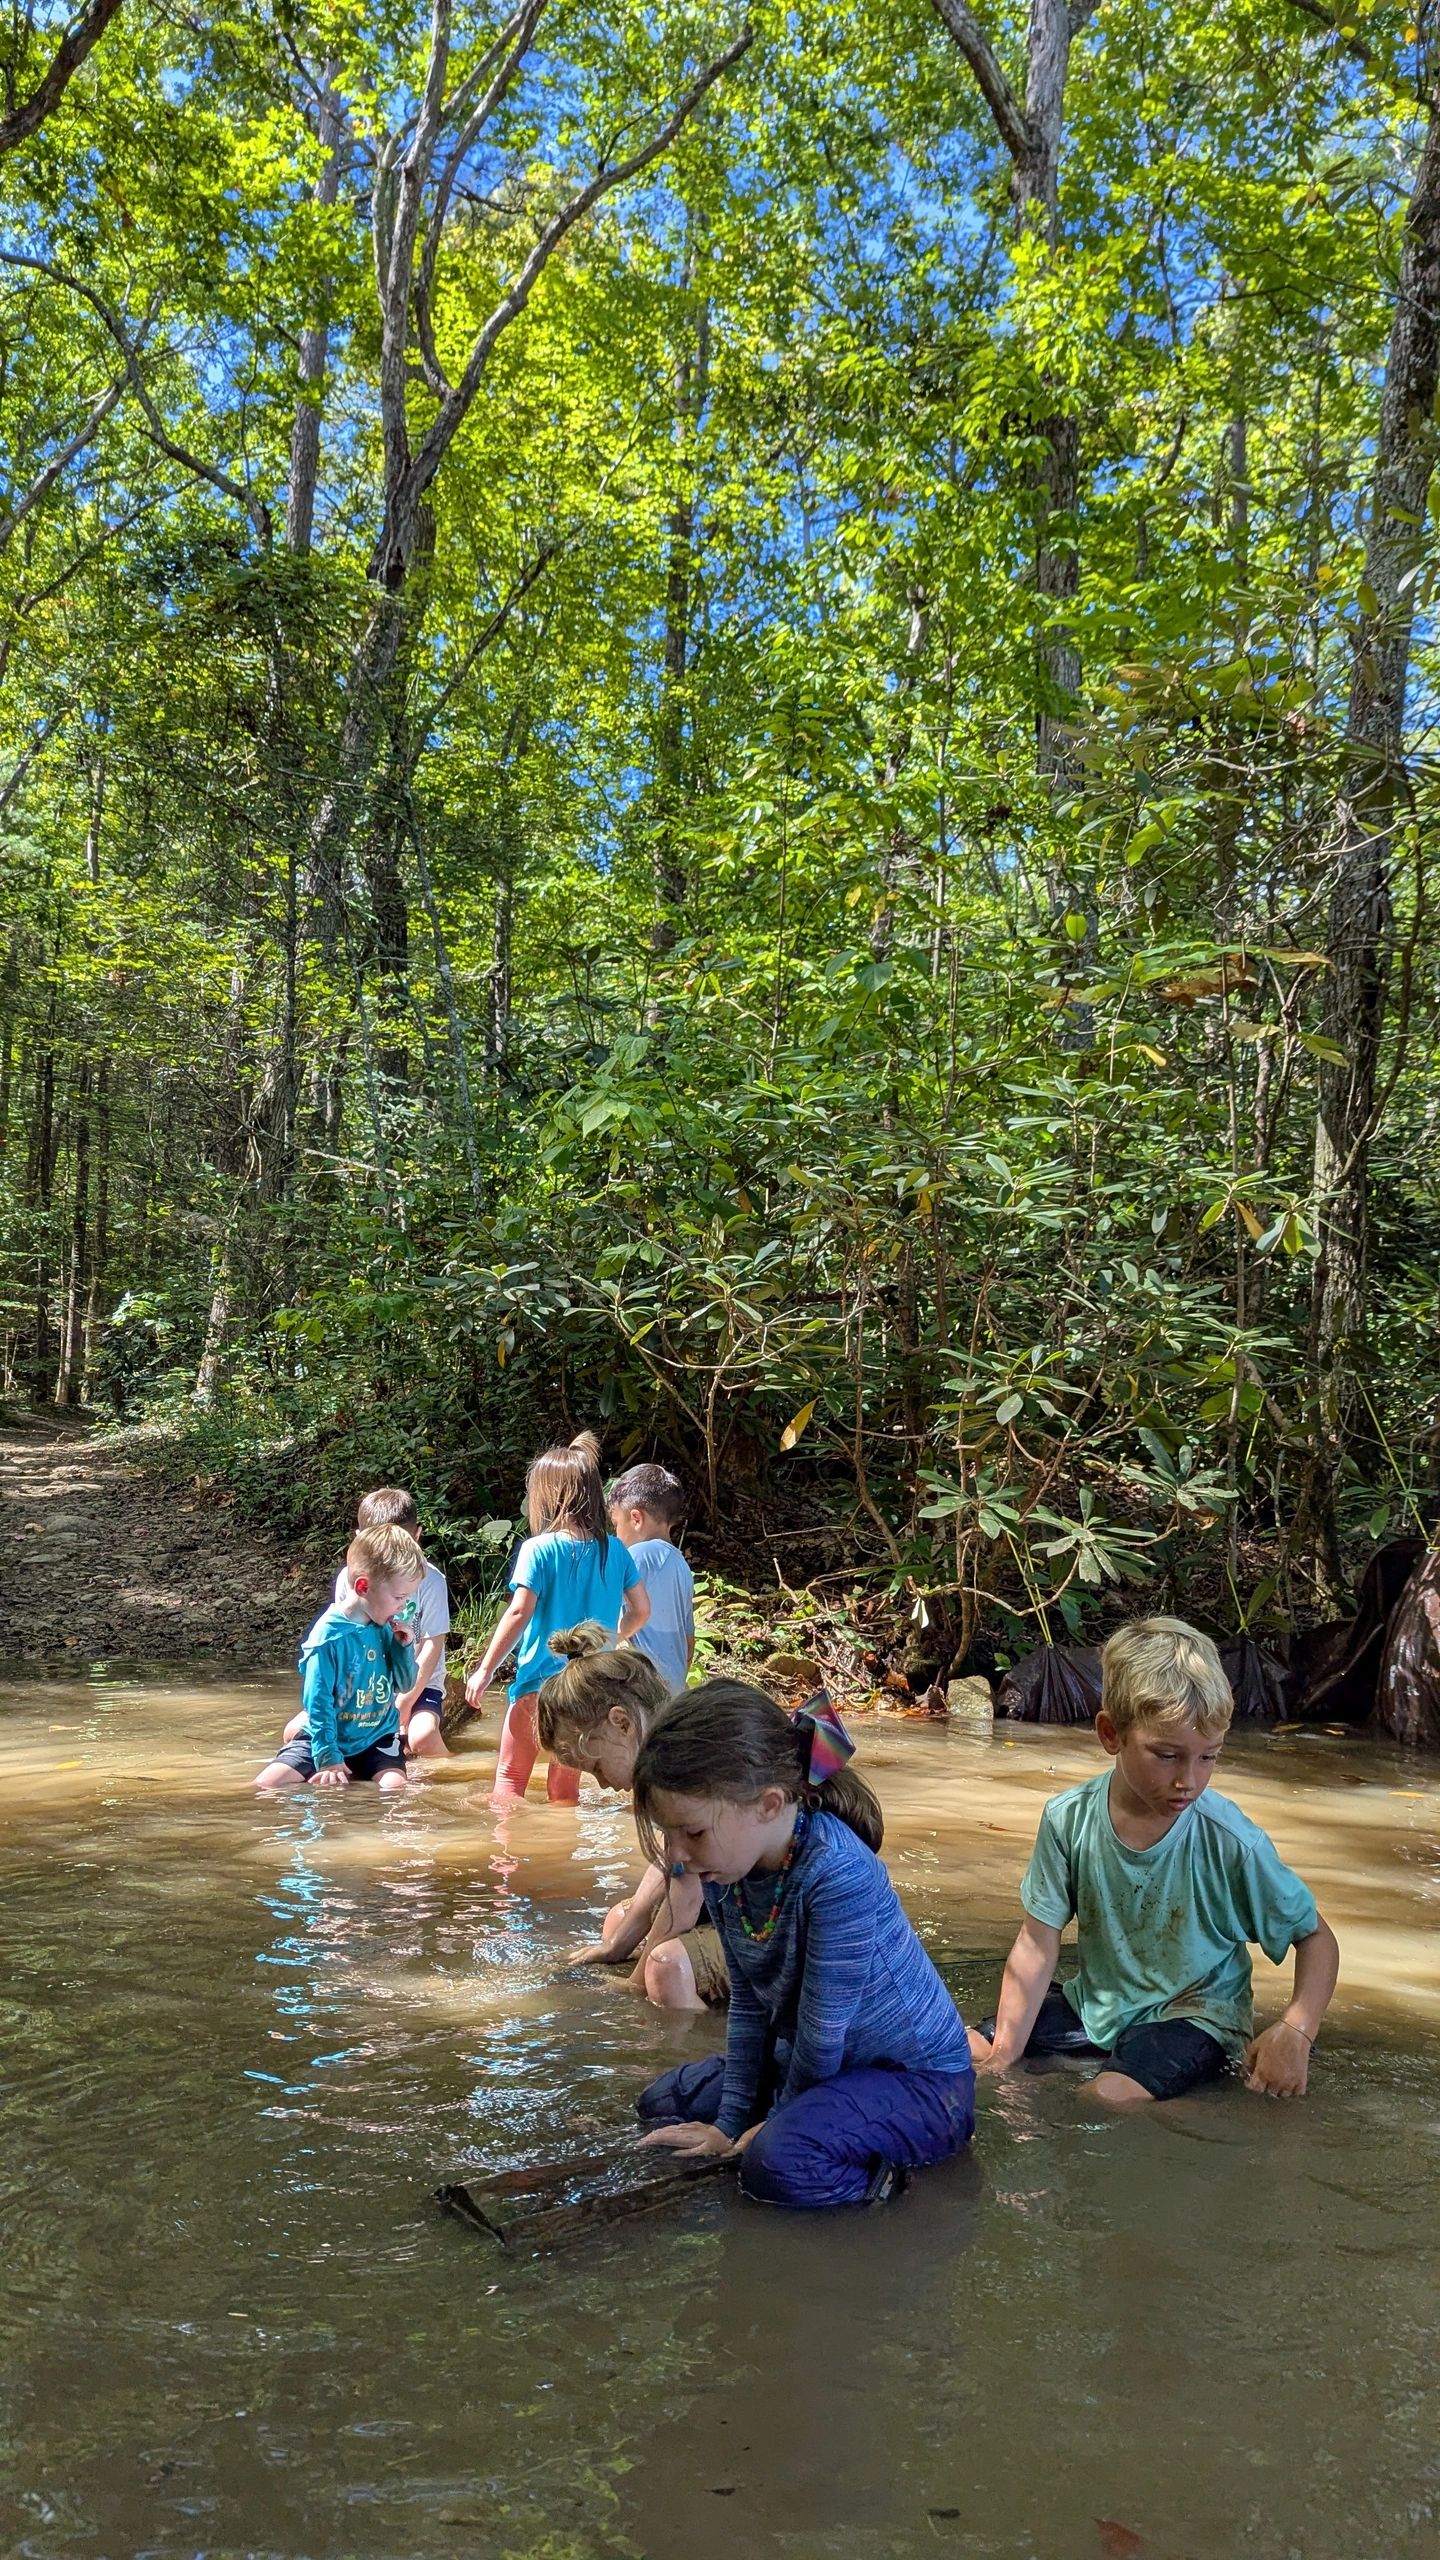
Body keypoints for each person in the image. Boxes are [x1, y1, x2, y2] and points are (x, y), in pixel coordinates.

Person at [969, 1616, 1340, 2105]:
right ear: (1110, 1734)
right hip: (1097, 2006)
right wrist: (1005, 2053)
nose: (1189, 1779)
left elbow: (1315, 1937)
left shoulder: (1228, 1839)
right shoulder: (1067, 1819)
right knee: (959, 2048)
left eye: (1208, 1757)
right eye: (1167, 1755)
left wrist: (1296, 2029)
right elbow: (1037, 1945)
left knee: (1105, 2096)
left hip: (1194, 2014)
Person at [633, 1682, 975, 2209]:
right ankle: (799, 2132)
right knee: (664, 2103)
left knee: (777, 2163)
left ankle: (895, 2192)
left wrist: (770, 2124)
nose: (677, 1855)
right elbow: (747, 2004)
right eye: (669, 1834)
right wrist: (728, 2125)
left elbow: (821, 2034)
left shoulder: (836, 1873)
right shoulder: (727, 1871)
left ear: (769, 1804)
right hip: (827, 2063)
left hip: (921, 2086)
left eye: (693, 1833)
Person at [536, 1623, 727, 2011]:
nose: (602, 1785)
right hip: (733, 1901)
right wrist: (616, 1945)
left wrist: (636, 1982)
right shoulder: (666, 1758)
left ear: (621, 1723)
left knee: (664, 1970)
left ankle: (705, 2046)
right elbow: (669, 1862)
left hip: (777, 1921)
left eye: (596, 1767)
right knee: (618, 1918)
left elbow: (686, 1896)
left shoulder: (679, 1775)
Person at [463, 1431, 650, 1804]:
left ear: (547, 1496)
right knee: (565, 1793)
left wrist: (485, 1670)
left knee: (509, 1781)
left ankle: (505, 1862)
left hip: (539, 1688)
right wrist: (610, 1639)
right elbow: (642, 1610)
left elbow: (519, 1611)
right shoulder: (615, 1550)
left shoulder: (538, 1550)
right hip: (589, 1695)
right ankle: (561, 1860)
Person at [254, 1525, 425, 1792]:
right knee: (266, 1785)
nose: (402, 1606)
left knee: (395, 1790)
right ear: (363, 1586)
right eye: (399, 1597)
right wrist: (328, 1759)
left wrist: (404, 1648)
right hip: (323, 1737)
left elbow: (405, 1685)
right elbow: (318, 1703)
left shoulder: (386, 1627)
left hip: (377, 1739)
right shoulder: (328, 1638)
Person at [608, 1461, 695, 1694]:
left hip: (643, 1689)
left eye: (616, 1524)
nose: (615, 1534)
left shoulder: (635, 1556)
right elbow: (688, 1645)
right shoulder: (681, 1565)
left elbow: (613, 1621)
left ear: (635, 1518)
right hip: (672, 1689)